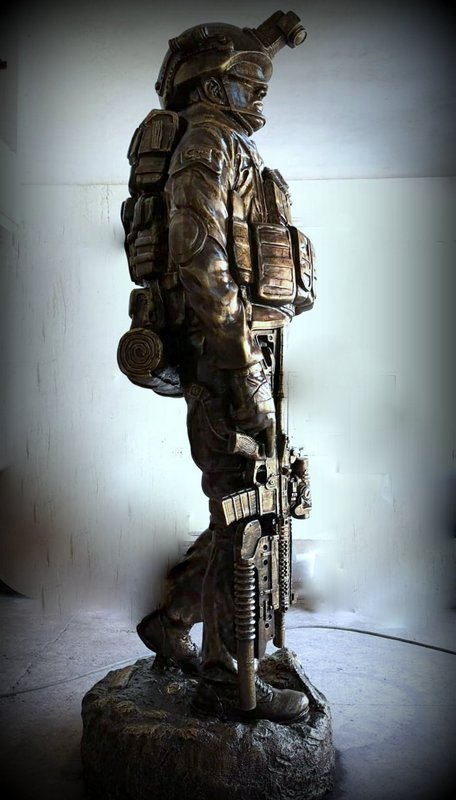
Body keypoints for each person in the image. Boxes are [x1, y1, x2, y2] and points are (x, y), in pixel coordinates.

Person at [123, 12, 316, 723]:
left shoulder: (228, 144)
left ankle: (173, 620)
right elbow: (201, 260)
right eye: (248, 80)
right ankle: (226, 676)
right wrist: (242, 366)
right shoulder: (208, 144)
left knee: (247, 501)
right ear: (211, 86)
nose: (260, 93)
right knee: (249, 514)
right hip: (226, 355)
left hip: (242, 349)